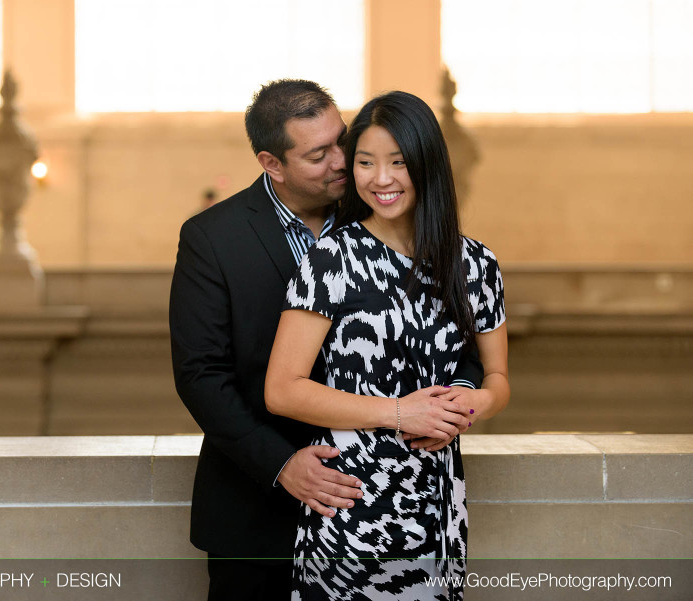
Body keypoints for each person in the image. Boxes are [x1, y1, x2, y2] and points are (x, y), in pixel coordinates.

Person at [169, 81, 485, 601]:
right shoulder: (212, 238)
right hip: (255, 511)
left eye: (343, 140)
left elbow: (457, 343)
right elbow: (201, 376)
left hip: (381, 505)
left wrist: (450, 405)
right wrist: (281, 465)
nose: (344, 161)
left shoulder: (387, 213)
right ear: (272, 163)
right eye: (319, 154)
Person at [265, 91, 510, 600]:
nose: (381, 179)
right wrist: (400, 413)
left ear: (427, 164)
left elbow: (498, 382)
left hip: (439, 507)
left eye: (398, 163)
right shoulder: (331, 258)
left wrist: (472, 404)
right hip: (352, 509)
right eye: (365, 162)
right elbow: (283, 390)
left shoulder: (476, 265)